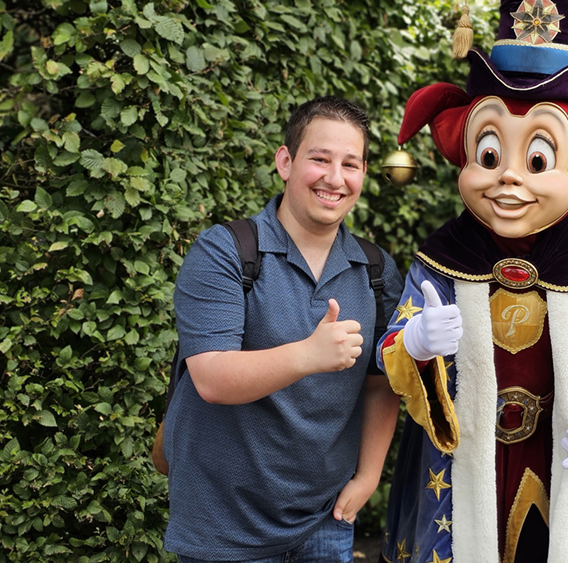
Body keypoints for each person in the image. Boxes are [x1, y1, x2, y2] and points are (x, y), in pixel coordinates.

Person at [377, 1, 568, 562]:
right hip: (453, 472)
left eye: (536, 158)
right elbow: (393, 344)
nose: (507, 176)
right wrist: (416, 345)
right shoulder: (440, 258)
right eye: (488, 152)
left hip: (551, 462)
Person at [161, 95, 404, 562]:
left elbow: (380, 383)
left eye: (350, 164)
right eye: (320, 159)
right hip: (223, 527)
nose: (335, 178)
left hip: (324, 519)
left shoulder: (376, 270)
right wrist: (307, 355)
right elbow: (211, 377)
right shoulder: (224, 252)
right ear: (286, 162)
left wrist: (369, 476)